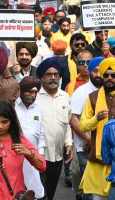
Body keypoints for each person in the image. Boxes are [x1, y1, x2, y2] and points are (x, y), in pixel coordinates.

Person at [0, 102, 46, 200]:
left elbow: (42, 166)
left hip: (15, 195)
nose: (0, 126)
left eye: (5, 122)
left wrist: (28, 153)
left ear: (11, 121)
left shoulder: (20, 139)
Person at [79, 57, 115, 200]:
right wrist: (96, 119)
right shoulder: (92, 97)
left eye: (113, 75)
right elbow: (83, 125)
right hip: (98, 160)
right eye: (106, 75)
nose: (109, 78)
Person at [36, 57, 73, 200]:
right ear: (42, 78)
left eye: (56, 75)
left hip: (57, 155)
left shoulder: (65, 97)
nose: (53, 78)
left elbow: (67, 124)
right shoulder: (35, 97)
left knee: (50, 192)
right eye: (48, 75)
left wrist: (68, 143)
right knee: (40, 194)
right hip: (38, 155)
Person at [70, 56, 105, 200]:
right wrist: (89, 139)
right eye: (95, 71)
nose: (98, 75)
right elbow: (73, 119)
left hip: (105, 149)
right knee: (90, 192)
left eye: (101, 71)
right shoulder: (81, 92)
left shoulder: (112, 91)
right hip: (86, 148)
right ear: (90, 72)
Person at [15, 76, 45, 199]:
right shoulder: (13, 105)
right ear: (21, 90)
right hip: (16, 154)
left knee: (35, 190)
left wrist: (41, 153)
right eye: (29, 91)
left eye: (35, 92)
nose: (32, 95)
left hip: (33, 155)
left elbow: (41, 132)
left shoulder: (39, 106)